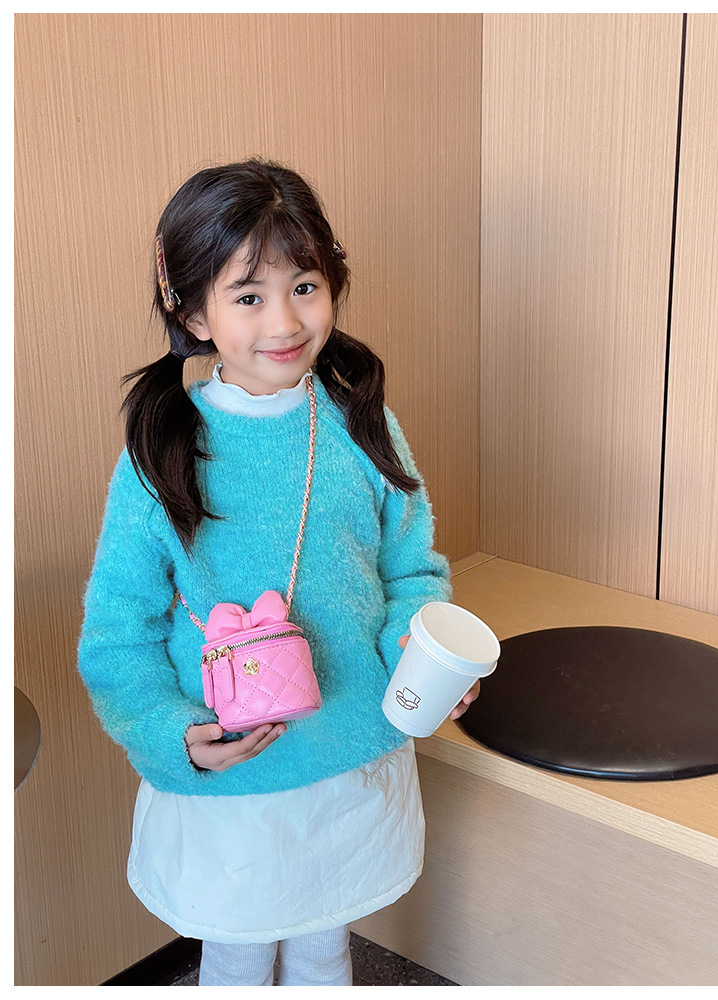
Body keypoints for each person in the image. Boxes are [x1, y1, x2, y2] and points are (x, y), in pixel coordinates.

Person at [77, 158, 479, 987]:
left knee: (326, 946)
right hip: (235, 776)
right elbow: (118, 632)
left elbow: (410, 569)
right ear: (192, 312)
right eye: (248, 296)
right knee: (235, 955)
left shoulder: (362, 423)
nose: (286, 321)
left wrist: (420, 651)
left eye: (304, 286)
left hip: (351, 760)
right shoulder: (163, 451)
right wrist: (167, 733)